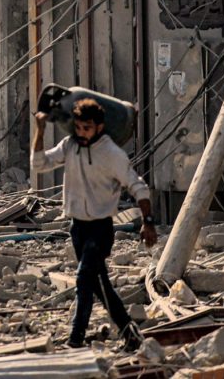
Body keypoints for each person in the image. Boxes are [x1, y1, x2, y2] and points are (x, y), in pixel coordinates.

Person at [31, 99, 157, 351]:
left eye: (87, 128)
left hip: (100, 229)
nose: (81, 133)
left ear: (100, 126)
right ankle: (130, 333)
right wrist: (41, 131)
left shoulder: (112, 154)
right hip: (77, 228)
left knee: (83, 279)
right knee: (100, 285)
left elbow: (138, 187)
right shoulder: (70, 146)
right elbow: (39, 164)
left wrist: (148, 222)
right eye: (78, 127)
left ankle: (75, 339)